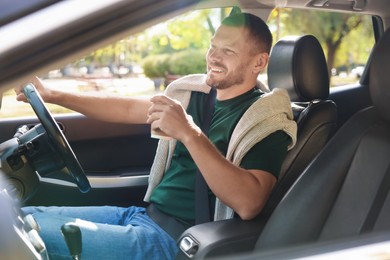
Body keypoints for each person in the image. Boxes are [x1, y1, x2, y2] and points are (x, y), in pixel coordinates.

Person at [15, 13, 297, 259]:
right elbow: (126, 108)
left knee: (23, 239)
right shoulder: (195, 95)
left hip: (180, 240)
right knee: (20, 219)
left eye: (228, 51)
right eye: (213, 46)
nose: (213, 56)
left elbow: (249, 204)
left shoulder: (265, 120)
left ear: (259, 62)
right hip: (144, 216)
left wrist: (189, 133)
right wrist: (51, 94)